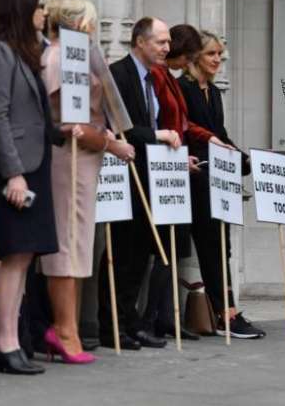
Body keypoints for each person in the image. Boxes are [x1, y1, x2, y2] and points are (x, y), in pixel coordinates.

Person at [0, 0, 66, 375]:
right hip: (13, 169)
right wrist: (14, 175)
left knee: (25, 257)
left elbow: (35, 115)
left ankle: (11, 340)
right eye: (39, 6)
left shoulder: (26, 53)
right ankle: (4, 342)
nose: (44, 13)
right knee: (14, 256)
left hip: (35, 163)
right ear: (20, 9)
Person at [39, 0, 135, 363]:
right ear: (78, 23)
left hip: (85, 158)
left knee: (79, 242)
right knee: (68, 240)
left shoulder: (76, 55)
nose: (93, 28)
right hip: (69, 158)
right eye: (91, 22)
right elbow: (67, 122)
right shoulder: (60, 56)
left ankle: (70, 327)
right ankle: (64, 328)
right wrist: (111, 144)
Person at [144, 24, 232, 340]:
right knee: (165, 246)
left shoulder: (169, 78)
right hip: (165, 167)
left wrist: (215, 142)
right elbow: (161, 123)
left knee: (177, 246)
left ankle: (166, 317)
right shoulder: (160, 77)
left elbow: (183, 124)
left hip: (181, 165)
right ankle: (151, 317)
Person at [98, 17, 181, 350]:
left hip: (149, 177)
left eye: (168, 42)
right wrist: (158, 135)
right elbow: (123, 129)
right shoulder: (118, 74)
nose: (166, 48)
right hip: (125, 173)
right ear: (140, 42)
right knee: (121, 251)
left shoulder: (153, 80)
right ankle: (111, 324)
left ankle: (130, 321)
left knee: (139, 254)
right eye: (161, 42)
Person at [178, 30, 266, 339]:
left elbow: (220, 133)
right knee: (210, 245)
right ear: (195, 58)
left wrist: (246, 160)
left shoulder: (213, 92)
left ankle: (226, 309)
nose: (217, 59)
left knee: (220, 245)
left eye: (220, 55)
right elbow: (187, 131)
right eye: (211, 54)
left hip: (218, 178)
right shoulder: (183, 88)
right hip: (195, 177)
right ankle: (223, 312)